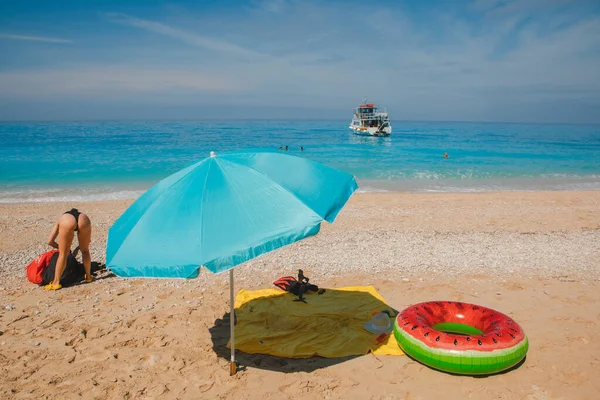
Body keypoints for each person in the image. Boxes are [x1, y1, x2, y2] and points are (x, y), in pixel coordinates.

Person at [45, 208, 93, 290]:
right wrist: (79, 247)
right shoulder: (82, 215)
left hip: (68, 222)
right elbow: (88, 241)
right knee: (85, 251)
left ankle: (56, 283)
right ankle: (88, 277)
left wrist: (61, 247)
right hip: (83, 219)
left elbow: (50, 241)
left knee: (63, 254)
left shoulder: (63, 218)